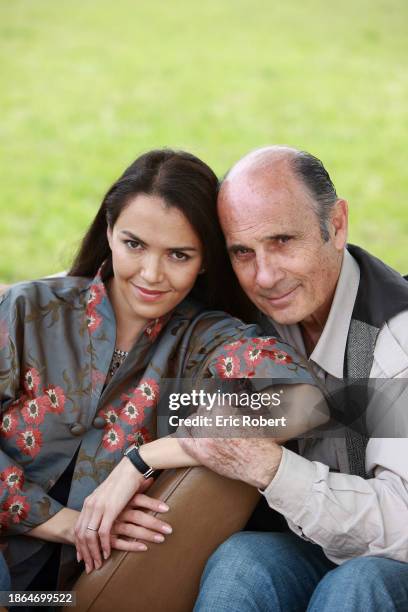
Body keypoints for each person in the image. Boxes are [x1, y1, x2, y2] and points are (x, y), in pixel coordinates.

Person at [0, 148, 317, 593]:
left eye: (179, 255)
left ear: (206, 259)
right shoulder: (27, 311)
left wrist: (144, 459)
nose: (151, 274)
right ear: (109, 231)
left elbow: (306, 400)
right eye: (134, 245)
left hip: (63, 597)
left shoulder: (207, 341)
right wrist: (64, 523)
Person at [178, 146, 408, 611]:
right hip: (309, 544)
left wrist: (269, 469)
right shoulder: (244, 316)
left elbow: (402, 524)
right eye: (242, 251)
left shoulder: (393, 335)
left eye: (282, 240)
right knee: (242, 561)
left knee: (356, 585)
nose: (264, 276)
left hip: (392, 557)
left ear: (337, 225)